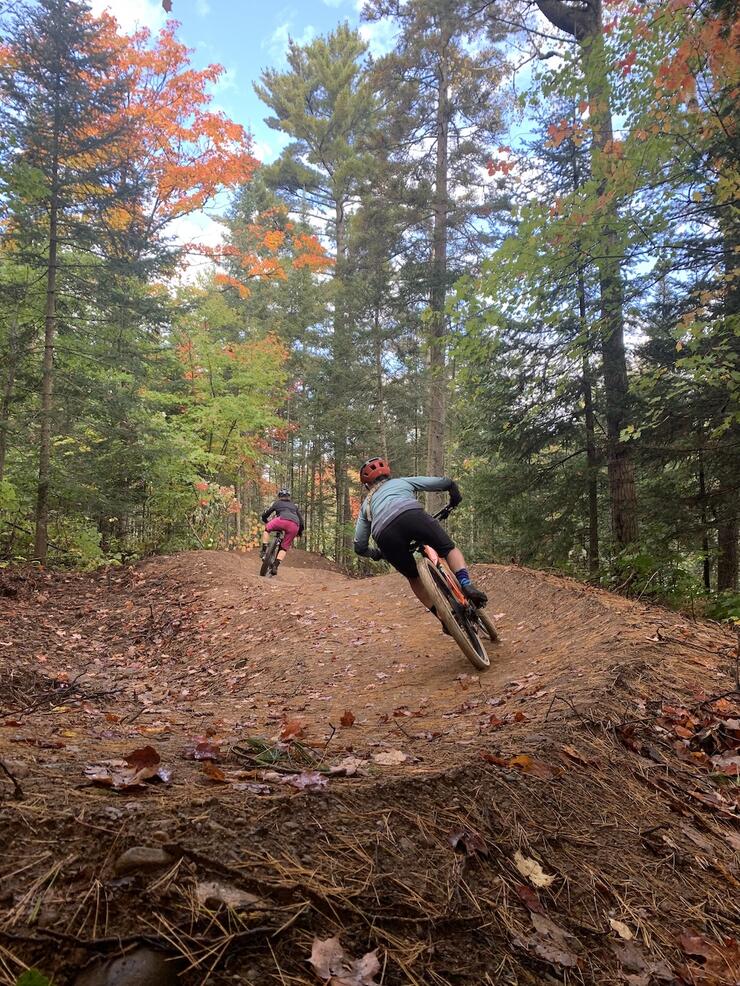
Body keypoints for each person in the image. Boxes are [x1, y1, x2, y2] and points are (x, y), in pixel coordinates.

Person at [353, 457, 488, 622]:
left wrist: (377, 554)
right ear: (388, 473)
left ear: (367, 485)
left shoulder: (366, 505)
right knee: (448, 549)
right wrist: (454, 496)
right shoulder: (402, 482)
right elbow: (443, 482)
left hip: (385, 535)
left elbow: (359, 545)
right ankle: (466, 584)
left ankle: (443, 617)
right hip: (412, 515)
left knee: (414, 577)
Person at [260, 488, 304, 574]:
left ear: (279, 496)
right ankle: (275, 566)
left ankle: (264, 550)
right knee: (284, 547)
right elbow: (301, 522)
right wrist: (299, 532)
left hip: (281, 520)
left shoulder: (277, 503)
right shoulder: (294, 506)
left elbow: (266, 514)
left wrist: (265, 520)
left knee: (267, 530)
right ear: (289, 497)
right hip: (294, 525)